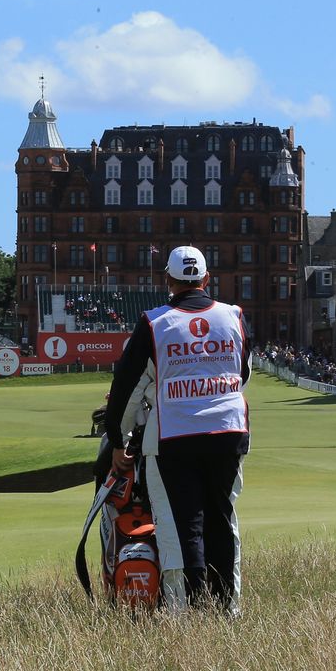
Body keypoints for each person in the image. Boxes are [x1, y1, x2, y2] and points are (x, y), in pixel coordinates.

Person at [105, 245, 250, 616]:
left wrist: (118, 441)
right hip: (229, 431)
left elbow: (125, 386)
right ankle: (225, 609)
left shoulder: (155, 321)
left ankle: (186, 614)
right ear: (206, 278)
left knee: (180, 526)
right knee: (221, 518)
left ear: (168, 280)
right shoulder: (234, 315)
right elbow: (244, 371)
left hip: (173, 437)